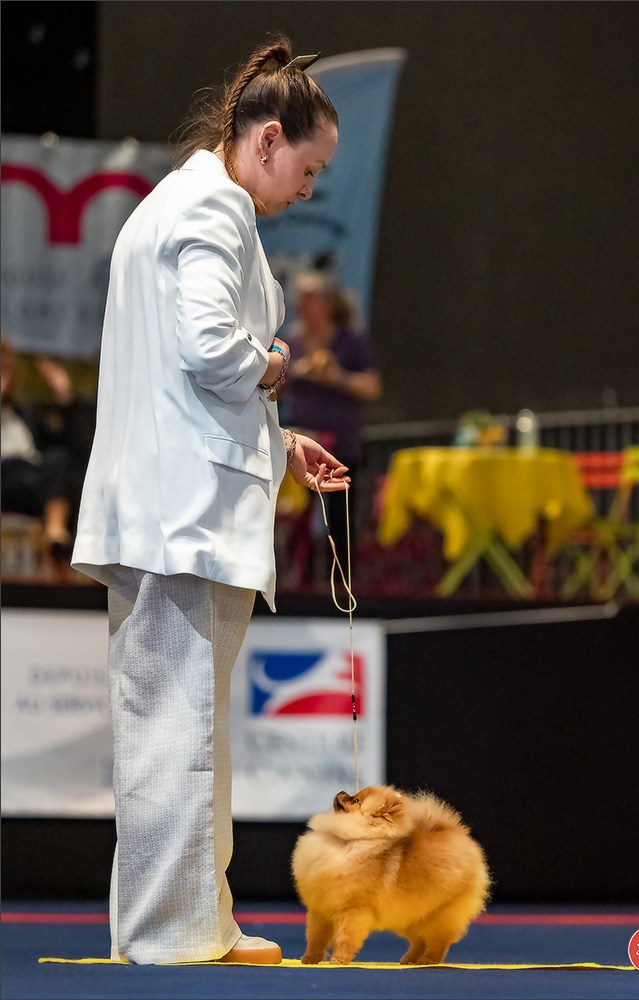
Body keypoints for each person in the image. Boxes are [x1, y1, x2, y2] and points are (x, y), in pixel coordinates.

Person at [70, 37, 348, 966]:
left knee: (182, 726)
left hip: (172, 503)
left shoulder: (180, 205)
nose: (309, 187)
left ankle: (195, 922)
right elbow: (209, 353)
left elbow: (184, 383)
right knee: (174, 730)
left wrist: (279, 444)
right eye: (307, 168)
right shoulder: (213, 211)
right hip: (179, 519)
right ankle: (167, 936)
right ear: (268, 140)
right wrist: (273, 364)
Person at [282, 270, 382, 582]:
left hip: (341, 444)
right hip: (300, 445)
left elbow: (372, 387)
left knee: (340, 518)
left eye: (308, 299)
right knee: (297, 517)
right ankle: (302, 583)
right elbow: (273, 384)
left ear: (327, 303)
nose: (301, 305)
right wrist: (297, 371)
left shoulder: (351, 341)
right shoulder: (293, 342)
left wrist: (337, 377)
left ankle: (342, 585)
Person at [1, 337, 76, 569]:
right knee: (15, 466)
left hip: (34, 481)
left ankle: (56, 531)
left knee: (59, 458)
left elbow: (60, 443)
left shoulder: (24, 413)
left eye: (3, 370)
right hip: (7, 477)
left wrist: (63, 397)